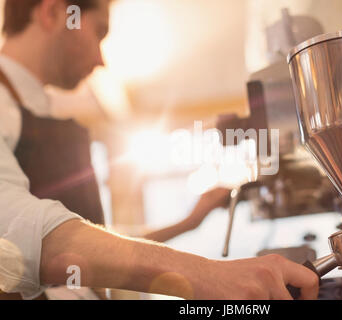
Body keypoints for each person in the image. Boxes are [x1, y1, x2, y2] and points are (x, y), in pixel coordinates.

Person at [0, 0, 319, 300]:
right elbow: (13, 227)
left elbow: (101, 243)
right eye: (99, 31)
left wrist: (189, 221)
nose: (101, 60)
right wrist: (208, 275)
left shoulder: (35, 113)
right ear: (53, 12)